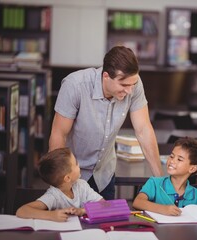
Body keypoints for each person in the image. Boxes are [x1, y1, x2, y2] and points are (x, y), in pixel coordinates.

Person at [49, 46, 163, 200]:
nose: (129, 91)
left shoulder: (133, 83)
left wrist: (161, 180)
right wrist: (60, 185)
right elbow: (58, 135)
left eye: (132, 85)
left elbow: (143, 130)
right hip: (72, 176)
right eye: (123, 85)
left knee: (106, 222)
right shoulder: (75, 85)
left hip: (104, 176)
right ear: (106, 76)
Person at [16, 147, 103, 222]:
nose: (79, 164)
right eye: (76, 163)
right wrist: (52, 215)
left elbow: (103, 205)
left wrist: (82, 211)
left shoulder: (82, 185)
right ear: (67, 178)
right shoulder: (54, 195)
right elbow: (21, 211)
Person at [132, 137, 197, 216]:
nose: (172, 161)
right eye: (171, 156)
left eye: (179, 159)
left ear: (192, 168)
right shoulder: (154, 183)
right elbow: (138, 202)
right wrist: (162, 209)